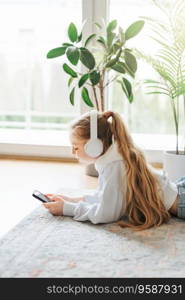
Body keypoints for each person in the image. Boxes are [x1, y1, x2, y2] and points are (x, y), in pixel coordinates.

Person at [43, 110, 183, 231]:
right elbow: (104, 196)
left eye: (75, 146)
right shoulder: (114, 157)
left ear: (94, 146)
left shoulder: (114, 166)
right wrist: (72, 200)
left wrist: (66, 209)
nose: (72, 151)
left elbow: (106, 213)